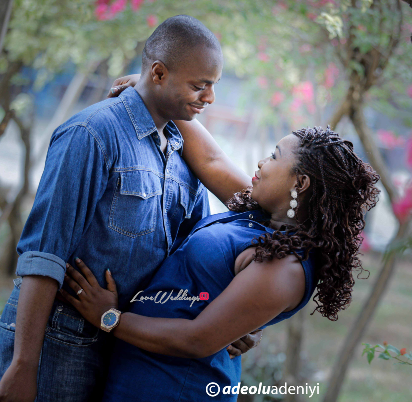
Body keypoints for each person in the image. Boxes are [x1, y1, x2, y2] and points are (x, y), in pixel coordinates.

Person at [0, 15, 260, 402]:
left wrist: (231, 320)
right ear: (158, 73)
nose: (210, 98)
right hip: (57, 340)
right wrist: (23, 366)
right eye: (199, 86)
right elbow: (43, 255)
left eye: (213, 86)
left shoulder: (183, 154)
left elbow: (192, 259)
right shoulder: (93, 134)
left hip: (121, 342)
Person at [59, 126, 381, 401]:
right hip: (139, 376)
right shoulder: (259, 214)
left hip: (177, 388)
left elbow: (198, 339)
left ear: (300, 183)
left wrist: (109, 318)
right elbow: (211, 160)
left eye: (274, 156)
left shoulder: (287, 268)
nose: (261, 162)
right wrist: (152, 91)